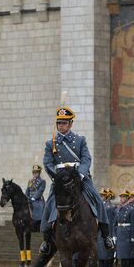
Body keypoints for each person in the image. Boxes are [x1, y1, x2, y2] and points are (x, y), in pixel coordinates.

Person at [39, 106, 114, 256]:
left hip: (79, 178)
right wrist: (58, 178)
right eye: (59, 123)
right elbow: (47, 163)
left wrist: (80, 174)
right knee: (49, 205)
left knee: (98, 201)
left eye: (64, 123)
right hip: (61, 179)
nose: (61, 126)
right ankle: (46, 240)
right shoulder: (50, 143)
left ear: (70, 124)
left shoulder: (80, 140)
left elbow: (86, 159)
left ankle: (106, 236)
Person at [115, 188, 134, 267]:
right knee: (121, 252)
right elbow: (115, 222)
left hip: (127, 232)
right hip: (120, 231)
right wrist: (115, 233)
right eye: (121, 197)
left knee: (127, 252)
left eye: (123, 197)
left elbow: (133, 223)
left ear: (127, 198)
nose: (121, 199)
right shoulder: (118, 208)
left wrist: (133, 235)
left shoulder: (130, 209)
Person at [25, 165, 46, 232]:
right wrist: (25, 197)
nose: (35, 173)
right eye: (34, 172)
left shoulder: (42, 181)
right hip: (29, 198)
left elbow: (40, 191)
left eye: (37, 172)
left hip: (37, 199)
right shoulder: (30, 181)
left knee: (39, 207)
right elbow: (27, 190)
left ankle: (37, 224)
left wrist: (34, 198)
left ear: (39, 173)